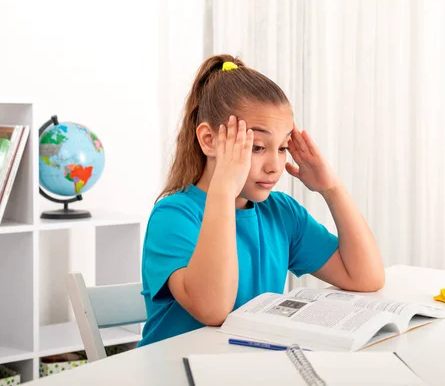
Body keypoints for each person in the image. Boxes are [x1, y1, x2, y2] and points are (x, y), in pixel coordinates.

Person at [138, 54, 385, 346]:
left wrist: (332, 188)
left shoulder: (282, 213)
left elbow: (366, 278)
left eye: (282, 148)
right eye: (257, 147)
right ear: (208, 140)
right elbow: (213, 310)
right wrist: (222, 190)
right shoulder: (173, 216)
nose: (274, 165)